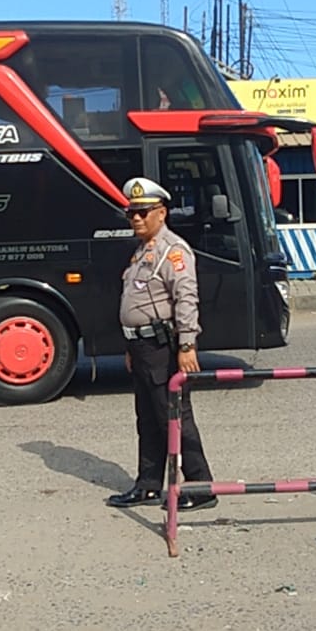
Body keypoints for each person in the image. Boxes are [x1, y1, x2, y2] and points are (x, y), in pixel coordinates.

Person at [108, 177, 217, 511]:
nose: (136, 218)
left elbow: (186, 298)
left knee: (175, 418)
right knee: (148, 419)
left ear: (162, 212)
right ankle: (148, 484)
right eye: (131, 213)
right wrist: (130, 347)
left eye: (143, 212)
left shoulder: (173, 251)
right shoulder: (143, 251)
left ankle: (200, 486)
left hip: (162, 349)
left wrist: (187, 345)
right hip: (141, 348)